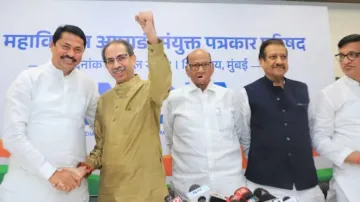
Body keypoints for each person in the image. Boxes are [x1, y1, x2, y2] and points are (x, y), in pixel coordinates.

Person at [76, 11, 172, 202]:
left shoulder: (150, 90)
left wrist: (151, 37)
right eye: (110, 61)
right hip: (111, 193)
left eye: (121, 58)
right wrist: (84, 168)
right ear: (106, 66)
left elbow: (162, 79)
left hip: (147, 192)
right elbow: (101, 148)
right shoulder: (104, 101)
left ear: (133, 59)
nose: (116, 65)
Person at [0, 25, 99, 202]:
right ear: (52, 45)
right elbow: (13, 135)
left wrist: (84, 169)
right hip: (27, 189)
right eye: (65, 47)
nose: (71, 54)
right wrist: (51, 173)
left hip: (73, 189)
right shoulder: (28, 79)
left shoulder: (87, 85)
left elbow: (104, 131)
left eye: (78, 50)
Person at [239, 39, 324, 201]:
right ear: (261, 61)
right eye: (273, 57)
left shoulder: (303, 89)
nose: (279, 61)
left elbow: (313, 129)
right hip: (267, 186)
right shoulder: (248, 93)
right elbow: (245, 137)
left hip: (306, 185)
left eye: (283, 57)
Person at [163, 48, 249, 197]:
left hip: (229, 186)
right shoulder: (174, 98)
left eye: (205, 64)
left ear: (212, 67)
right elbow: (171, 140)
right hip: (188, 187)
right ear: (187, 70)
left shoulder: (229, 96)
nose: (200, 69)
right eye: (195, 66)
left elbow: (243, 136)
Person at [312, 34, 360, 202]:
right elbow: (319, 139)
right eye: (341, 56)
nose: (345, 61)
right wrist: (353, 156)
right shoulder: (331, 93)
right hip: (350, 179)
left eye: (352, 55)